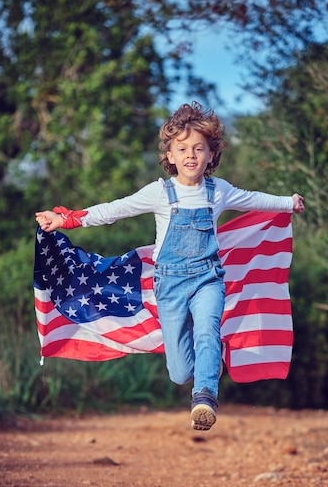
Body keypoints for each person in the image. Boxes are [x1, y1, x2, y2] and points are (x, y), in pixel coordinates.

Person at [36, 101, 305, 432]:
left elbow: (254, 199)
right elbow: (113, 210)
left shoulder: (218, 191)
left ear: (210, 155)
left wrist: (288, 203)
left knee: (208, 328)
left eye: (198, 148)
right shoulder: (159, 193)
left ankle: (204, 398)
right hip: (169, 285)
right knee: (179, 372)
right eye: (183, 149)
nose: (191, 155)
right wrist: (65, 219)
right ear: (171, 156)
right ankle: (206, 365)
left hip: (209, 280)